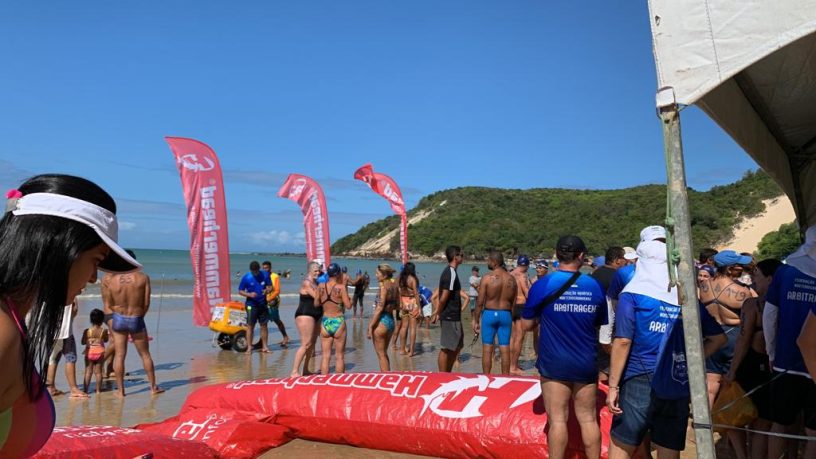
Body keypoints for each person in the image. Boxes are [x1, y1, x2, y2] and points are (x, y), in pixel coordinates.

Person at [0, 174, 141, 457]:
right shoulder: (3, 331)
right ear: (59, 246)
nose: (93, 278)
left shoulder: (12, 318)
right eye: (95, 260)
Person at [605, 234, 692, 458]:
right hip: (676, 376)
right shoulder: (685, 296)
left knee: (623, 443)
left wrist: (613, 386)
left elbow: (623, 341)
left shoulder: (632, 294)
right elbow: (716, 338)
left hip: (639, 375)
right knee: (668, 445)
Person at [522, 236, 607, 459]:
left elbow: (527, 325)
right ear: (581, 256)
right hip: (586, 360)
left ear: (557, 254)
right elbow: (600, 323)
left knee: (557, 420)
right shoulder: (594, 285)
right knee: (588, 419)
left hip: (554, 361)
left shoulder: (543, 284)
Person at [762, 225, 816, 459]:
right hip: (814, 366)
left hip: (785, 360)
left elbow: (769, 315)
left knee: (780, 423)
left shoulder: (785, 272)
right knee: (813, 432)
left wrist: (771, 351)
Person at [646, 303, 725, 458]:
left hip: (643, 376)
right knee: (666, 443)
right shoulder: (690, 303)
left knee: (636, 437)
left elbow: (623, 341)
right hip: (674, 384)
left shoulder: (638, 294)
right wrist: (690, 360)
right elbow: (719, 339)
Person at [724, 258, 781, 459]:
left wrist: (732, 370)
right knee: (764, 423)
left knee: (735, 417)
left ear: (770, 278)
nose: (754, 280)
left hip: (751, 365)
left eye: (757, 275)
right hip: (776, 366)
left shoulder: (752, 304)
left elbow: (743, 339)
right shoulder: (785, 303)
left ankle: (742, 456)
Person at [101, 249, 163, 397]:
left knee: (120, 355)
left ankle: (120, 391)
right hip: (136, 317)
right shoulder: (143, 278)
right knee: (145, 355)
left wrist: (117, 314)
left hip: (118, 318)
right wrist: (140, 316)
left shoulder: (111, 280)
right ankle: (153, 387)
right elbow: (146, 302)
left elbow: (109, 304)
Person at [699, 249, 755, 406]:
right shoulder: (742, 291)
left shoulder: (703, 287)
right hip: (734, 337)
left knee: (710, 381)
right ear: (730, 269)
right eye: (739, 265)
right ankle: (726, 417)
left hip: (712, 336)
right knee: (731, 381)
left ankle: (706, 418)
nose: (741, 268)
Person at [472, 250, 516, 374]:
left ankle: (487, 377)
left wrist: (476, 320)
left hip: (489, 314)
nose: (488, 262)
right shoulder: (512, 279)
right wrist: (511, 318)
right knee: (505, 348)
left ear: (494, 262)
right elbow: (513, 303)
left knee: (487, 348)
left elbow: (479, 302)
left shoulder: (487, 278)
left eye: (489, 260)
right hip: (506, 314)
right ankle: (505, 378)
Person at [431, 245, 465, 372]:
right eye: (461, 255)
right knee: (447, 347)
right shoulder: (450, 273)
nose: (463, 257)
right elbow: (444, 296)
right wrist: (437, 312)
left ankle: (447, 373)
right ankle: (443, 375)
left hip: (453, 315)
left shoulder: (452, 272)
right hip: (450, 315)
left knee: (457, 345)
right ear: (455, 257)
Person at [45, 302, 87, 398]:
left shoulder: (48, 295)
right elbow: (74, 309)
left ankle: (50, 387)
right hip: (65, 331)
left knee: (53, 359)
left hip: (51, 331)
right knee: (70, 358)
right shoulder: (69, 294)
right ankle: (73, 388)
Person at [316, 263, 352, 374]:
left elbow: (316, 304)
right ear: (338, 274)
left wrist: (324, 301)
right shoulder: (341, 287)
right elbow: (348, 306)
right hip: (338, 321)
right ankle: (339, 382)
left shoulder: (321, 286)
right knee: (339, 356)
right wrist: (351, 300)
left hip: (325, 322)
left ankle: (324, 381)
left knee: (325, 356)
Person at [291, 261, 321, 377]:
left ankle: (306, 370)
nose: (318, 273)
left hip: (316, 315)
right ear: (309, 271)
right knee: (305, 344)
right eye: (315, 271)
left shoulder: (316, 283)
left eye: (319, 270)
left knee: (312, 344)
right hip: (305, 314)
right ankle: (294, 371)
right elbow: (318, 298)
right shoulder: (307, 283)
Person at [368, 263, 399, 371]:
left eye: (377, 273)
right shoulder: (394, 286)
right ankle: (388, 376)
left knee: (381, 355)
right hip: (390, 321)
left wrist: (370, 326)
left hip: (381, 321)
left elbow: (379, 308)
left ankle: (385, 377)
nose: (376, 275)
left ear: (384, 275)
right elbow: (398, 305)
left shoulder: (383, 287)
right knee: (384, 354)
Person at [238, 261, 272, 354]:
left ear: (259, 269)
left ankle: (265, 347)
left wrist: (267, 290)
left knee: (264, 325)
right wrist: (249, 294)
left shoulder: (265, 274)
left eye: (256, 271)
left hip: (263, 304)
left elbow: (270, 287)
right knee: (250, 326)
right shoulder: (246, 277)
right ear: (251, 270)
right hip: (251, 305)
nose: (255, 273)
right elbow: (240, 291)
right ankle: (249, 347)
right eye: (253, 271)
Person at [509, 255, 532, 375]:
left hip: (511, 307)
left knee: (512, 338)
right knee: (519, 338)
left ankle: (510, 364)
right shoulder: (522, 276)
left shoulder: (510, 274)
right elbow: (527, 293)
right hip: (521, 306)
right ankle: (513, 366)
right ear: (527, 265)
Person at [261, 261, 289, 347]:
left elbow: (277, 290)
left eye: (266, 268)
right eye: (263, 268)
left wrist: (269, 299)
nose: (265, 269)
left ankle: (285, 337)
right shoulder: (261, 276)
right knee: (263, 322)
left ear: (270, 268)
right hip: (262, 301)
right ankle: (261, 342)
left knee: (276, 320)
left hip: (273, 301)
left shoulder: (275, 276)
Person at [81, 308, 108, 394]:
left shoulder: (87, 331)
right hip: (100, 353)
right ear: (102, 320)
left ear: (91, 319)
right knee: (98, 372)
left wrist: (88, 340)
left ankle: (85, 390)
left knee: (88, 371)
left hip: (89, 353)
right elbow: (106, 340)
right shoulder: (104, 331)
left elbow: (82, 342)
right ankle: (98, 390)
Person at [398, 262, 422, 356]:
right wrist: (419, 307)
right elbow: (416, 293)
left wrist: (400, 302)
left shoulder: (401, 278)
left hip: (404, 302)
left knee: (404, 327)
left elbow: (399, 291)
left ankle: (402, 349)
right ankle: (411, 351)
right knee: (412, 328)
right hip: (412, 302)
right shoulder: (412, 279)